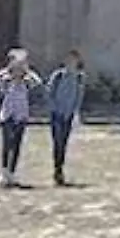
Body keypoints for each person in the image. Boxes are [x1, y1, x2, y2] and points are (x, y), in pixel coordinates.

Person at [0, 48, 43, 188]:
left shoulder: (27, 81)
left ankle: (12, 172)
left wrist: (26, 71)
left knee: (16, 145)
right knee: (7, 144)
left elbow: (37, 81)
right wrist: (10, 70)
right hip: (7, 115)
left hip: (21, 116)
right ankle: (4, 172)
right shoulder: (5, 80)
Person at [44, 49, 88, 186]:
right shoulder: (58, 76)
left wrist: (75, 113)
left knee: (63, 143)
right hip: (57, 114)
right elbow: (49, 93)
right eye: (69, 60)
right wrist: (54, 109)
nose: (71, 63)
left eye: (74, 60)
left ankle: (59, 169)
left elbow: (79, 97)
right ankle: (57, 170)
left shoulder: (80, 78)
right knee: (57, 142)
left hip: (68, 115)